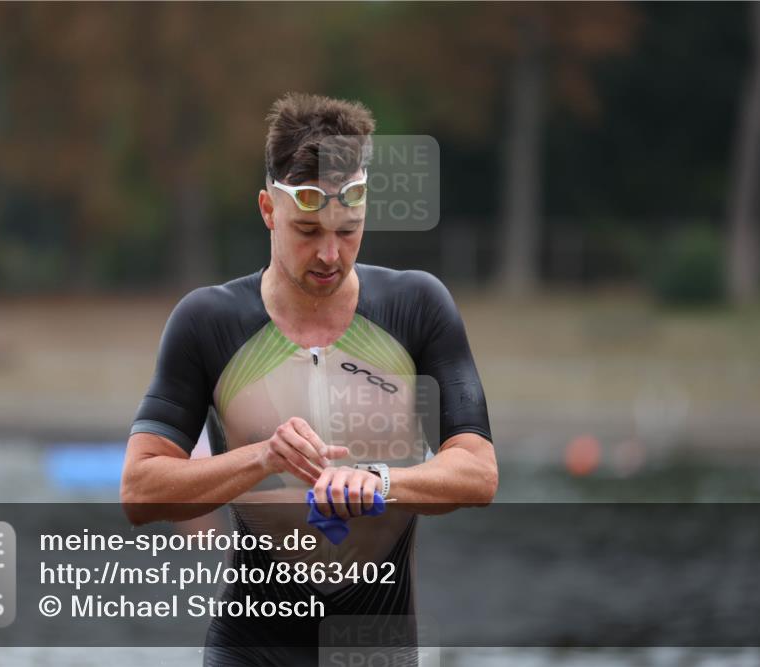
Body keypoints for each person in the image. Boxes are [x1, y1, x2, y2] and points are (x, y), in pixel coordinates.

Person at [120, 92, 497, 666]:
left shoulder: (418, 305)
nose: (329, 255)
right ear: (269, 211)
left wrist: (379, 481)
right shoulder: (207, 321)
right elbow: (140, 490)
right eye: (307, 230)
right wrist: (262, 460)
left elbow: (478, 472)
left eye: (348, 231)